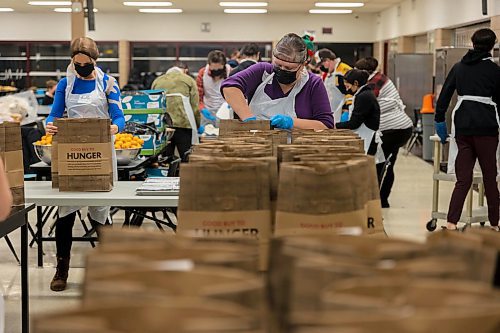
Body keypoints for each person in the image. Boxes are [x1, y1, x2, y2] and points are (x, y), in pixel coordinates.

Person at [45, 37, 125, 291]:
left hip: (100, 151)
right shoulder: (65, 85)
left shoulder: (108, 84)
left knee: (101, 212)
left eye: (85, 63)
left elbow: (119, 116)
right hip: (72, 152)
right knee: (66, 212)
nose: (80, 67)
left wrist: (114, 127)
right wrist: (49, 124)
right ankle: (62, 270)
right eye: (76, 63)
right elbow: (55, 113)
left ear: (94, 61)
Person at [435, 28, 500, 232]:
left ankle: (452, 222)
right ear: (493, 46)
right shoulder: (495, 71)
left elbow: (444, 96)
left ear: (472, 43)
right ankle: (495, 223)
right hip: (487, 127)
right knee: (490, 177)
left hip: (462, 126)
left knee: (463, 179)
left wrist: (440, 122)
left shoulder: (458, 67)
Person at [221, 33, 334, 130]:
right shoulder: (262, 72)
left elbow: (326, 125)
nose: (282, 70)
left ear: (303, 64)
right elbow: (230, 87)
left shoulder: (313, 84)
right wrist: (249, 120)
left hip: (297, 148)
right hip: (258, 145)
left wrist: (292, 122)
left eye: (288, 68)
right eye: (278, 65)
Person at [355, 57, 413, 208]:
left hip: (391, 128)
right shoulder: (379, 77)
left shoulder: (374, 82)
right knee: (388, 163)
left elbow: (368, 104)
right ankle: (382, 199)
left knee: (379, 163)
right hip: (402, 127)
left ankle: (376, 200)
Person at [152, 62, 200, 161]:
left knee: (165, 161)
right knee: (186, 158)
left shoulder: (157, 81)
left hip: (163, 127)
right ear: (185, 70)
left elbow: (152, 104)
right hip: (184, 125)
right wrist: (197, 124)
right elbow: (194, 106)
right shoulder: (189, 80)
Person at [336, 69, 380, 156]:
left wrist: (335, 126)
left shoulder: (364, 96)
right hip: (365, 136)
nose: (346, 89)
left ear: (356, 83)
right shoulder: (364, 93)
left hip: (368, 138)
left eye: (348, 86)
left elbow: (354, 123)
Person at [315, 48, 352, 123]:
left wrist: (347, 109)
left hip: (342, 113)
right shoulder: (331, 72)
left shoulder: (344, 71)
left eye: (322, 64)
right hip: (333, 112)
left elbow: (352, 91)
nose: (323, 67)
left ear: (327, 60)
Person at [196, 50, 232, 128]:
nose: (216, 72)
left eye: (219, 70)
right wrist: (201, 108)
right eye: (213, 70)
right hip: (207, 111)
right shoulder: (202, 73)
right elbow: (198, 96)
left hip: (225, 112)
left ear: (224, 65)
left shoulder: (231, 73)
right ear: (209, 65)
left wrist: (232, 104)